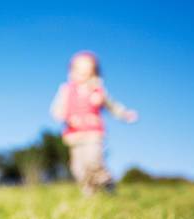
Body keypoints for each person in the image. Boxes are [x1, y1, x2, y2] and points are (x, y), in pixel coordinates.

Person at [51, 51, 138, 195]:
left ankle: (106, 180)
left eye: (86, 72)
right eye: (78, 71)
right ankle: (90, 193)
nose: (82, 75)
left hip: (93, 132)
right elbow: (58, 108)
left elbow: (112, 105)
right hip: (74, 134)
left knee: (93, 161)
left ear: (93, 73)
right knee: (78, 168)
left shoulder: (97, 91)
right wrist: (64, 116)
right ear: (71, 71)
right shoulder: (66, 90)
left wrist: (124, 113)